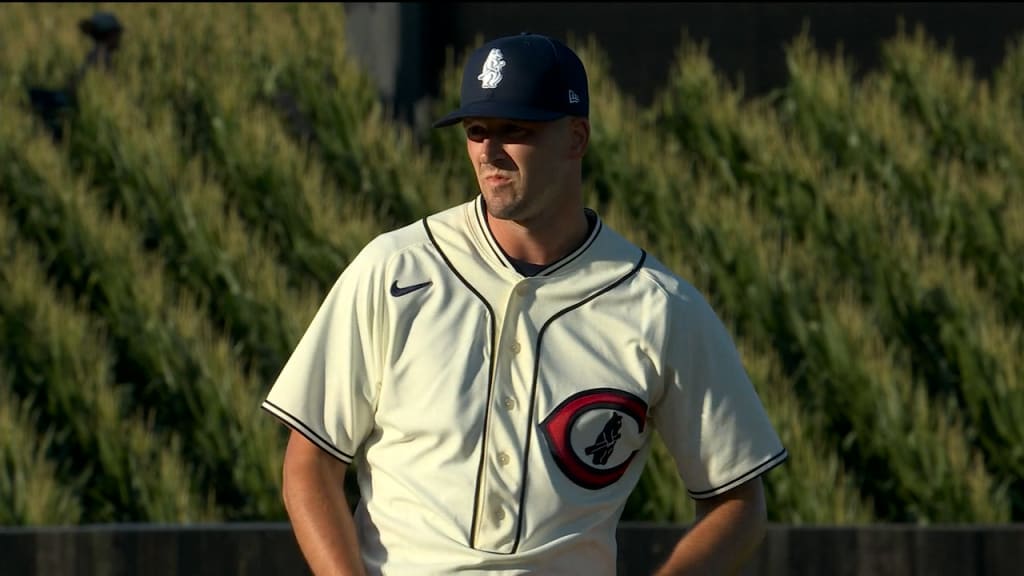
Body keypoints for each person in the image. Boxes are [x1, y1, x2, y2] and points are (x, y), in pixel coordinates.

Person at [262, 32, 788, 576]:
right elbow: (309, 464)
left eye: (515, 129)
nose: (490, 150)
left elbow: (739, 503)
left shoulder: (658, 305)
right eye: (476, 131)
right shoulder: (395, 269)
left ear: (576, 137)